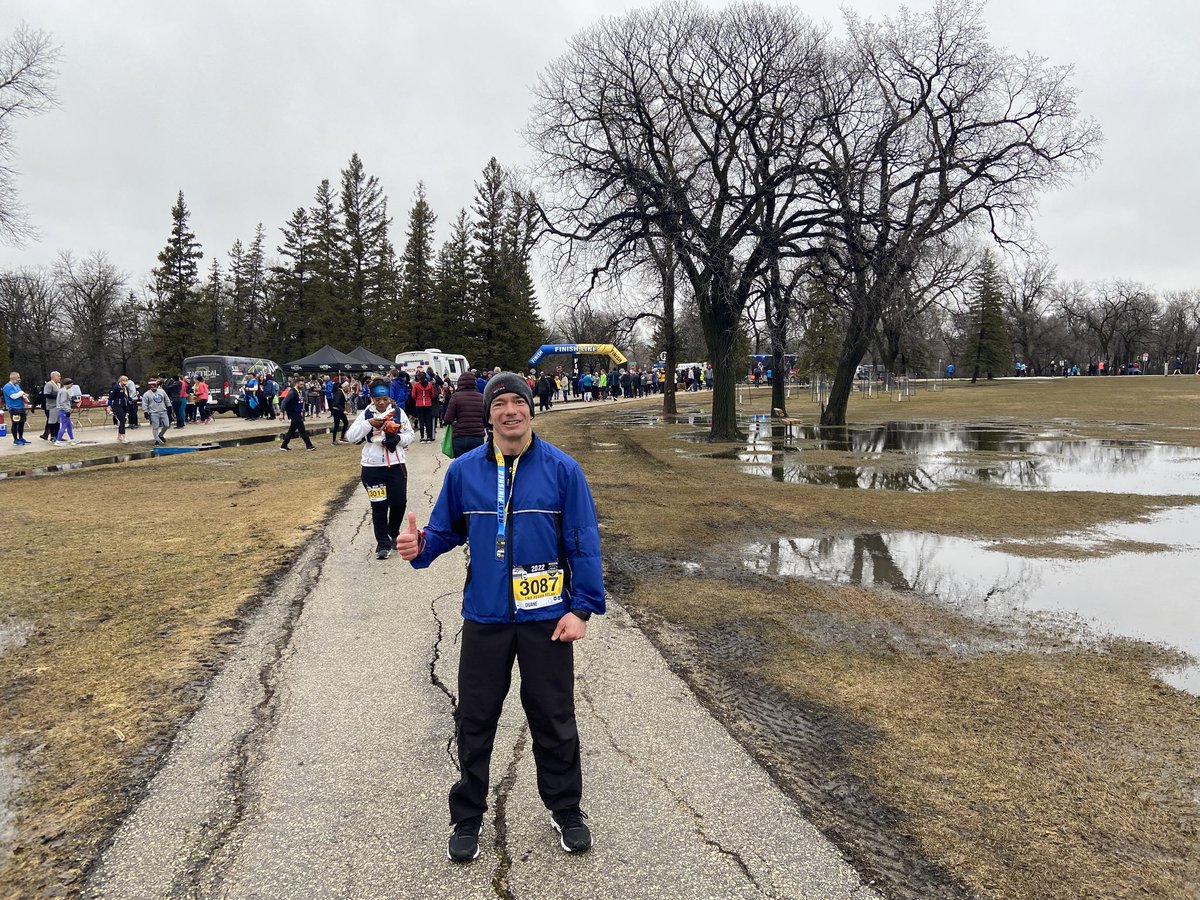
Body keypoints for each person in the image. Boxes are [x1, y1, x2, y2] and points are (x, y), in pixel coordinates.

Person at [397, 371, 605, 863]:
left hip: (547, 618)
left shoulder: (562, 470)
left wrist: (581, 609)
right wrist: (420, 546)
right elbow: (445, 532)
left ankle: (566, 808)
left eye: (518, 402)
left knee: (554, 719)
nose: (510, 410)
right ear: (487, 414)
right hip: (487, 617)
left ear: (531, 409)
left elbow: (583, 541)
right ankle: (467, 815)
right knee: (475, 719)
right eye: (500, 404)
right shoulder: (465, 471)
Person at [346, 378, 415, 559]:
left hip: (396, 466)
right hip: (372, 468)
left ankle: (393, 531)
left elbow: (410, 435)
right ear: (372, 399)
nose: (382, 403)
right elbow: (351, 437)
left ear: (389, 398)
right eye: (378, 400)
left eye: (384, 399)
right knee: (379, 506)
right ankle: (382, 543)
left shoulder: (399, 413)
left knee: (399, 503)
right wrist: (369, 424)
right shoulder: (366, 414)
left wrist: (398, 439)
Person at [442, 370, 487, 457]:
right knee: (476, 465)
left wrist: (456, 422)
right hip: (477, 437)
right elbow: (486, 420)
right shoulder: (481, 398)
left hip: (460, 437)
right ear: (474, 383)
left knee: (460, 466)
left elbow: (447, 419)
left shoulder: (455, 397)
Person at [278, 374, 315, 451]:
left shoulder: (300, 392)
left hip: (297, 413)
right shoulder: (292, 392)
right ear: (296, 384)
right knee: (302, 430)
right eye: (301, 384)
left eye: (303, 385)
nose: (302, 386)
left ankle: (284, 445)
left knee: (291, 430)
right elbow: (284, 402)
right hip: (293, 414)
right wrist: (282, 413)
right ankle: (309, 445)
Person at [4, 372, 31, 446]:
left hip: (21, 407)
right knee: (15, 423)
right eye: (18, 377)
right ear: (13, 378)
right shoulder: (7, 386)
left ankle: (21, 438)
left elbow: (20, 394)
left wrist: (25, 395)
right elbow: (13, 396)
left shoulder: (17, 386)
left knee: (22, 423)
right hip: (14, 409)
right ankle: (15, 440)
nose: (19, 379)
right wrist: (22, 393)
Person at [106, 375, 135, 443]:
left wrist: (131, 400)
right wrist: (109, 406)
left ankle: (119, 436)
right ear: (120, 381)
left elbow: (127, 396)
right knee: (122, 420)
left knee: (124, 420)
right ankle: (124, 437)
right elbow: (111, 397)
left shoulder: (126, 388)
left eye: (126, 381)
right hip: (117, 405)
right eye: (124, 381)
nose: (125, 383)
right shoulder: (116, 388)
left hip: (124, 405)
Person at [142, 379, 171, 445]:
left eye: (155, 386)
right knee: (155, 427)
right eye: (151, 387)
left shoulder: (162, 392)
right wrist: (145, 412)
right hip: (153, 412)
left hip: (163, 411)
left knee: (166, 425)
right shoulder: (146, 394)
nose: (153, 388)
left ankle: (160, 435)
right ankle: (156, 440)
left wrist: (169, 406)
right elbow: (144, 404)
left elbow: (166, 399)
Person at [412, 370, 435, 443]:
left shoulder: (416, 385)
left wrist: (418, 399)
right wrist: (428, 398)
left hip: (419, 404)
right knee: (428, 420)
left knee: (421, 421)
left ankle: (422, 437)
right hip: (428, 403)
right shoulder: (430, 384)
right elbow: (432, 395)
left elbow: (413, 395)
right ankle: (428, 437)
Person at [54, 378, 78, 445]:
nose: (72, 385)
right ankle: (58, 441)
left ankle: (72, 439)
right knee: (64, 426)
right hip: (63, 410)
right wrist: (67, 410)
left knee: (69, 425)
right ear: (68, 384)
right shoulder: (64, 391)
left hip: (62, 410)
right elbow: (62, 402)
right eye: (71, 384)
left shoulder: (62, 390)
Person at [40, 371, 62, 442]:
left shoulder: (58, 384)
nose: (60, 377)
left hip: (58, 406)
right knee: (53, 421)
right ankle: (53, 436)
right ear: (53, 377)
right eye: (58, 376)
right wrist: (58, 396)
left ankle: (58, 435)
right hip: (52, 406)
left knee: (58, 421)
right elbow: (46, 394)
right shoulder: (49, 384)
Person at [328, 378, 350, 445]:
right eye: (347, 387)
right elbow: (336, 403)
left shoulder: (342, 392)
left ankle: (342, 437)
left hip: (340, 411)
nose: (348, 388)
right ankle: (334, 440)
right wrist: (343, 410)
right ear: (345, 387)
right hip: (337, 411)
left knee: (346, 423)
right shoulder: (339, 392)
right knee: (336, 425)